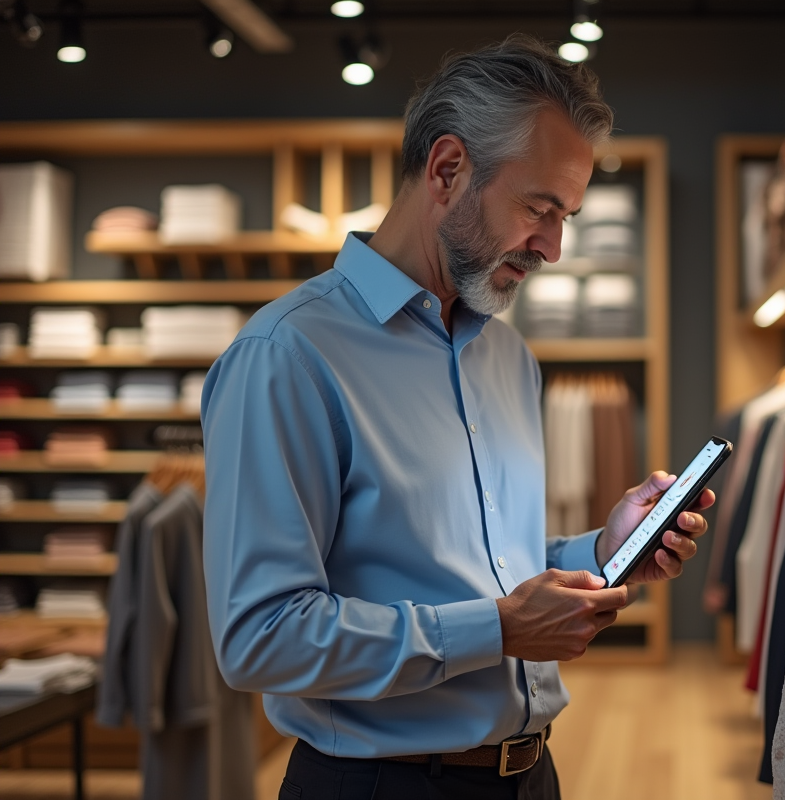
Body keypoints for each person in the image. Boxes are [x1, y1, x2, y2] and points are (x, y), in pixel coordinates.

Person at [200, 35, 714, 800]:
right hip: (380, 785)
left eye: (566, 216)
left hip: (531, 774)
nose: (554, 247)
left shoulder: (508, 359)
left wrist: (602, 547)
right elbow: (259, 638)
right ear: (447, 170)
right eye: (540, 209)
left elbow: (477, 565)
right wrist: (500, 630)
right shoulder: (288, 355)